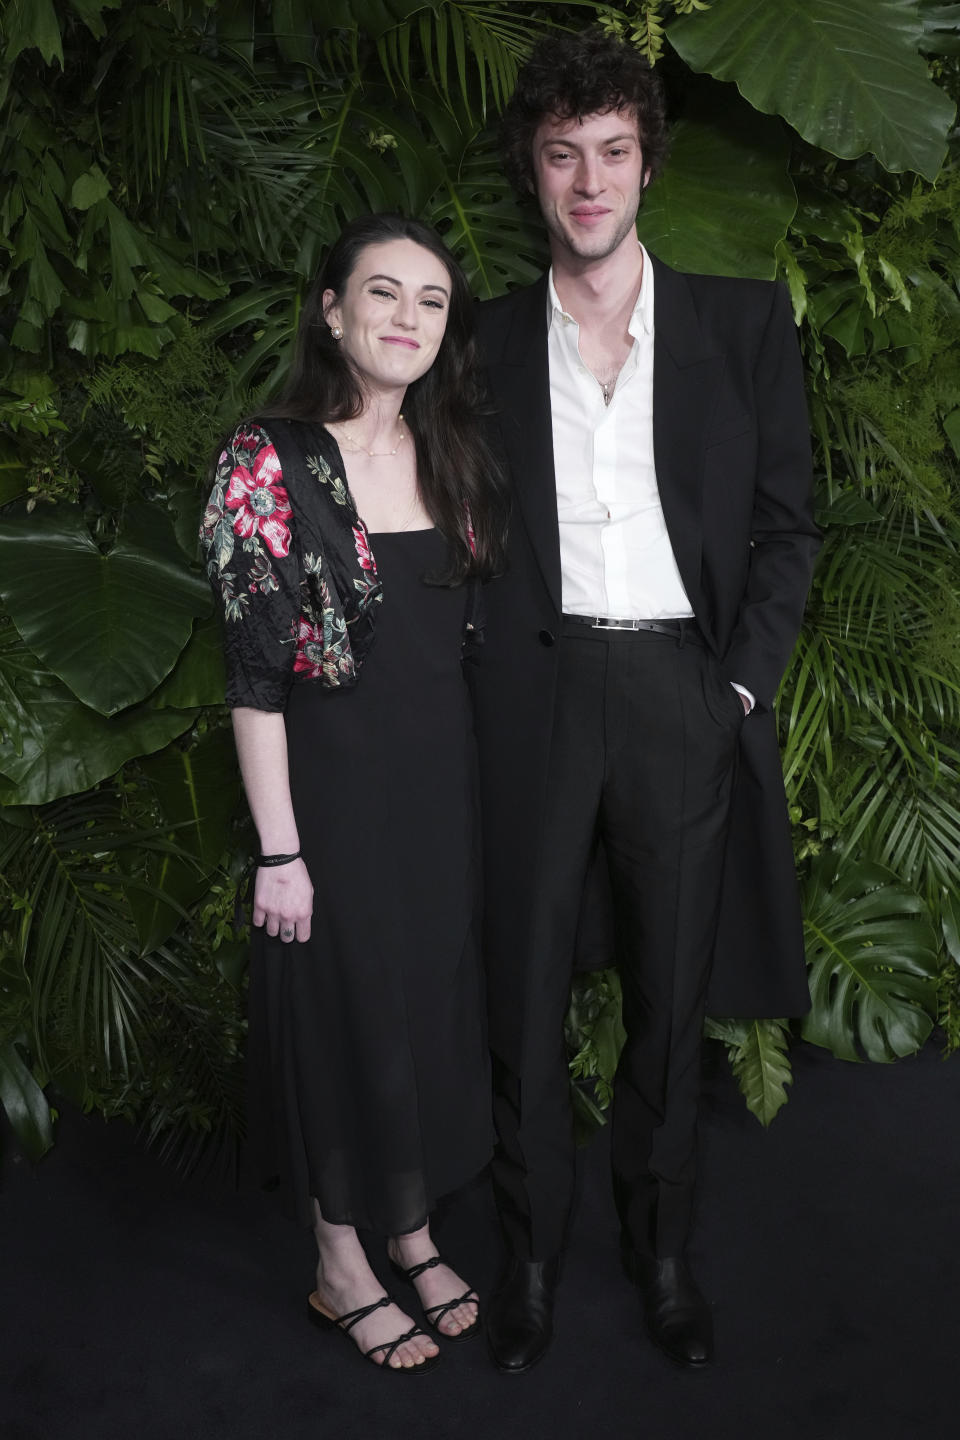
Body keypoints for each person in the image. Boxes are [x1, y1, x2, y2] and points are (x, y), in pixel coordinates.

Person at [471, 29, 821, 1372]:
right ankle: (531, 1262)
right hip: (533, 699)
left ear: (647, 165)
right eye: (564, 155)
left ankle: (662, 1252)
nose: (590, 180)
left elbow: (788, 526)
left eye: (613, 152)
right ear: (535, 172)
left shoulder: (739, 324)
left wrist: (737, 683)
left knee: (670, 1002)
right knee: (522, 996)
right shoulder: (488, 340)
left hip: (683, 686)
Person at [199, 213, 508, 1373]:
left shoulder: (458, 452)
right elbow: (252, 675)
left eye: (431, 302)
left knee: (426, 1005)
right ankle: (339, 1261)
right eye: (382, 293)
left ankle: (412, 1228)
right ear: (331, 309)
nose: (406, 319)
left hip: (443, 791)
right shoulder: (267, 459)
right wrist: (281, 852)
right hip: (329, 792)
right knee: (342, 1015)